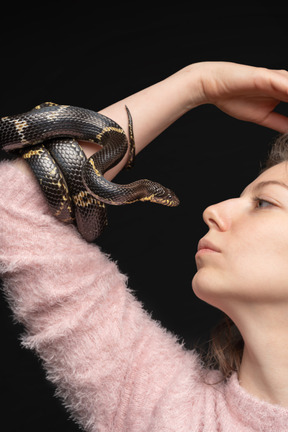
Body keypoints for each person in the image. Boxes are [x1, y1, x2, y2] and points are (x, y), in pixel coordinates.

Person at [1, 61, 288, 431]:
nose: (213, 210)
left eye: (265, 202)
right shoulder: (159, 403)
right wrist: (195, 86)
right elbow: (19, 210)